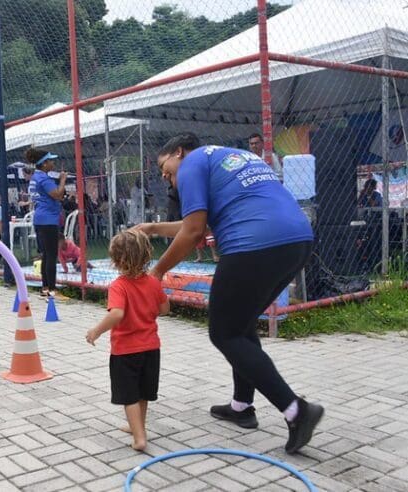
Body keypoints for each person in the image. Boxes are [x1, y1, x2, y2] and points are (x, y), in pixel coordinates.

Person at [135, 132, 323, 454]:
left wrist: (156, 272)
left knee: (223, 333)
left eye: (166, 170)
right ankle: (240, 406)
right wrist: (151, 229)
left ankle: (296, 411)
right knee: (241, 324)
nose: (168, 180)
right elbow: (201, 226)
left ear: (179, 152)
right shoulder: (228, 155)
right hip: (296, 240)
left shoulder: (193, 162)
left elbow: (193, 232)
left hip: (254, 243)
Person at [85, 229, 169, 451]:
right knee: (143, 391)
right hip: (151, 348)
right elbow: (165, 308)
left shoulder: (119, 286)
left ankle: (140, 438)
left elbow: (117, 314)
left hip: (126, 351)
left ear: (115, 260)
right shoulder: (152, 282)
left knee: (128, 394)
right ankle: (137, 426)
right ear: (146, 255)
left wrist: (96, 331)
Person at [26, 148, 66, 298]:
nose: (53, 163)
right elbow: (57, 195)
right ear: (44, 164)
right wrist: (62, 181)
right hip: (48, 220)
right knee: (51, 255)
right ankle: (52, 290)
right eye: (50, 160)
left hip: (40, 219)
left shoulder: (35, 177)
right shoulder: (44, 179)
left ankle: (45, 288)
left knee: (45, 254)